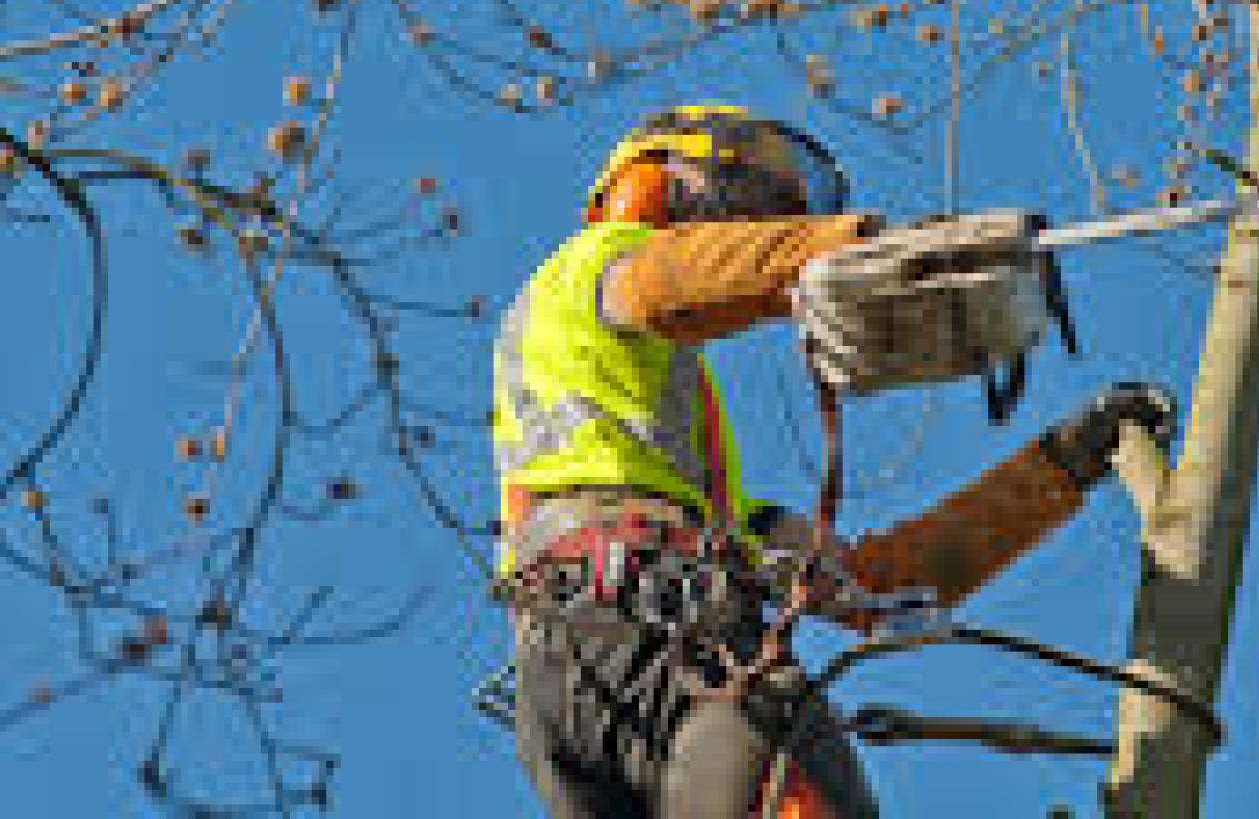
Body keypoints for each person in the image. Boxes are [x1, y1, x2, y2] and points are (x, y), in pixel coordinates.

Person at [493, 105, 1177, 819]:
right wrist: (870, 251)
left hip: (580, 685)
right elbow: (680, 276)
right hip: (648, 642)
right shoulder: (590, 269)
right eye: (747, 210)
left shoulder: (696, 508)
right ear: (665, 181)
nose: (754, 231)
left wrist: (1061, 465)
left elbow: (883, 584)